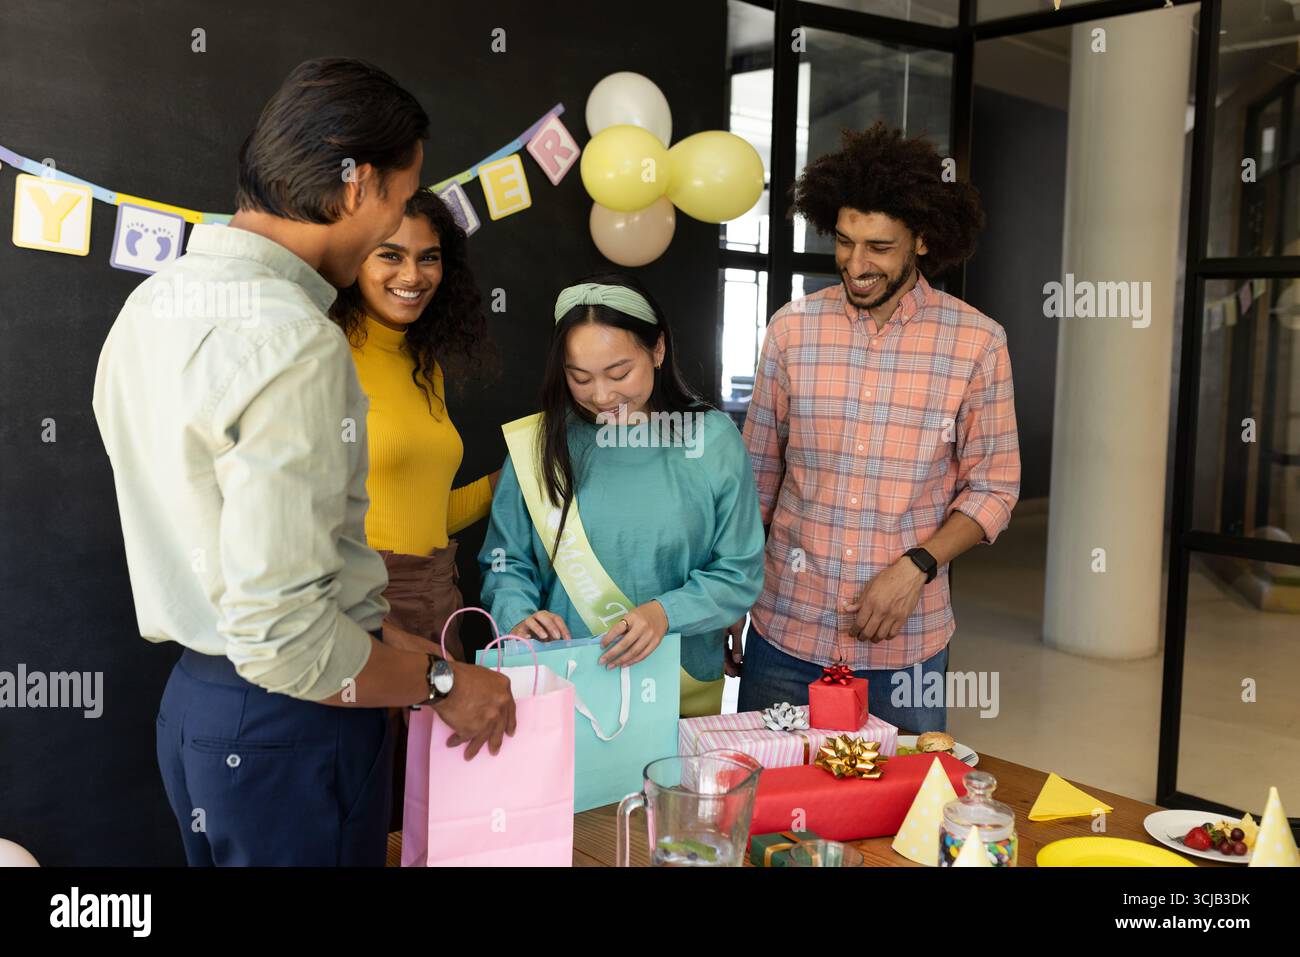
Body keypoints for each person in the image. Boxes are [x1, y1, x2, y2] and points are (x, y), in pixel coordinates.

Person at [92, 57, 514, 867]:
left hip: (196, 711)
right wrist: (444, 687)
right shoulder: (296, 341)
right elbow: (284, 641)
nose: (393, 228)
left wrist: (394, 637)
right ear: (357, 189)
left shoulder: (151, 303)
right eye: (396, 197)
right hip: (291, 724)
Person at [733, 122, 1021, 733]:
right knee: (769, 816)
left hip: (905, 650)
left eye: (879, 248)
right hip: (785, 634)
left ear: (921, 241)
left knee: (902, 825)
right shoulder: (791, 331)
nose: (855, 265)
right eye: (844, 242)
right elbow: (755, 478)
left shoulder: (977, 343)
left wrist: (918, 565)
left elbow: (994, 488)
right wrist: (731, 595)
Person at [478, 274, 765, 717]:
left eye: (619, 373)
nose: (601, 395)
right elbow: (506, 560)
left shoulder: (711, 440)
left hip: (679, 679)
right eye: (580, 378)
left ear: (658, 349)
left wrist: (664, 614)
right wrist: (517, 613)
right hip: (560, 681)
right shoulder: (540, 444)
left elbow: (739, 571)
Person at [331, 189, 499, 664]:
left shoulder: (424, 365)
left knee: (440, 739)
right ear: (355, 258)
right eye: (390, 255)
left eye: (429, 258)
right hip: (361, 600)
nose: (412, 275)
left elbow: (424, 512)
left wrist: (502, 484)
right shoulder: (327, 355)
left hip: (439, 593)